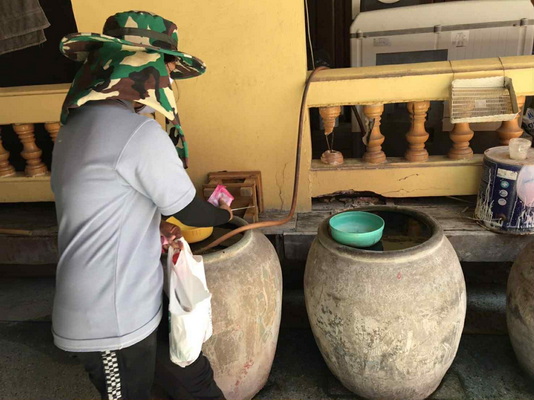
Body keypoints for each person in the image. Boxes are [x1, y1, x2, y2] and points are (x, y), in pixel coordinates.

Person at [51, 10, 229, 400]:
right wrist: (229, 215)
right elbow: (191, 211)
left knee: (191, 378)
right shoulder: (137, 133)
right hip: (110, 319)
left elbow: (103, 203)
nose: (166, 82)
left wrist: (150, 225)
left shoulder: (75, 126)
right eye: (165, 71)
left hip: (133, 298)